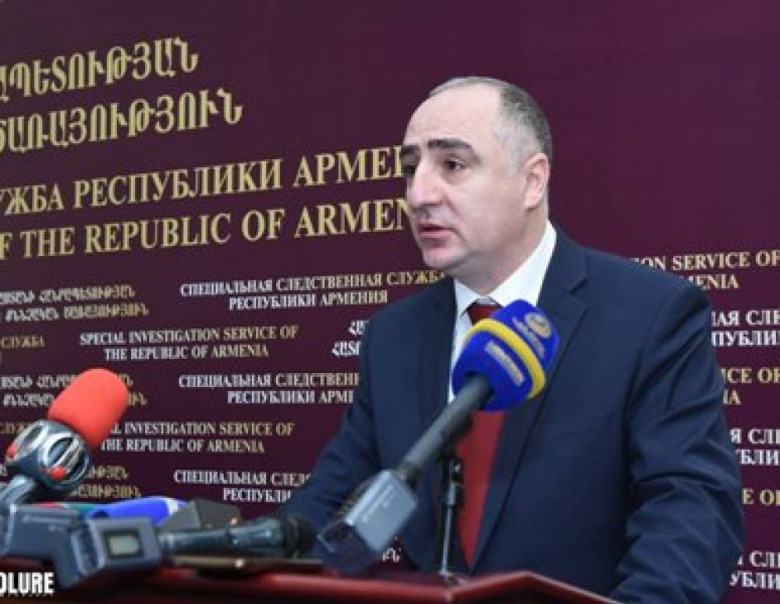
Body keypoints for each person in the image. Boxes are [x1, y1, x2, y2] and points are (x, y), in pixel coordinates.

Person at [282, 76, 743, 602]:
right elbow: (329, 504)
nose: (419, 194)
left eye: (452, 165)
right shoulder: (393, 337)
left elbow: (689, 512)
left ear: (532, 181)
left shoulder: (650, 315)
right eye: (411, 169)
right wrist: (250, 557)